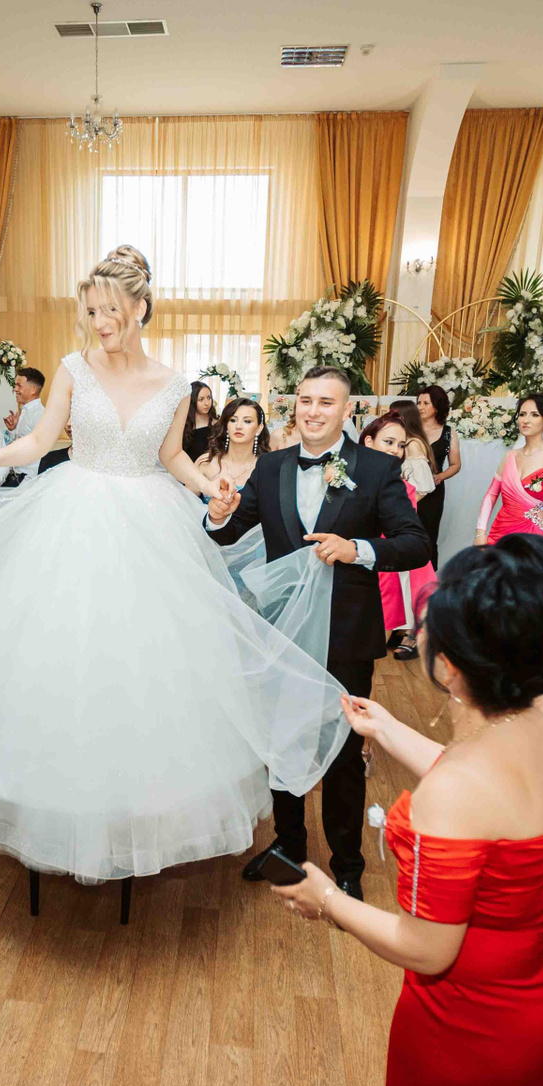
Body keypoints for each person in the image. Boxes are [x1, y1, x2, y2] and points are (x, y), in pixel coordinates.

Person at [0, 246, 359, 888]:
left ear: (140, 308)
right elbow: (39, 439)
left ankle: (137, 805)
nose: (99, 323)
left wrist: (208, 489)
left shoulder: (173, 384)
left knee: (147, 666)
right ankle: (54, 806)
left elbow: (171, 456)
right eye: (91, 312)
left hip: (151, 525)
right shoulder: (75, 367)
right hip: (73, 518)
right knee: (59, 657)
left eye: (111, 311)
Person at [275, 535, 543, 1086]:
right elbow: (495, 794)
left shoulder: (454, 794)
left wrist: (326, 898)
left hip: (475, 1023)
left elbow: (427, 948)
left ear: (448, 669)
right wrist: (388, 730)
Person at [205, 365, 435, 899]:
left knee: (343, 751)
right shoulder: (271, 466)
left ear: (347, 410)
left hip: (346, 633)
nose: (312, 411)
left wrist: (358, 549)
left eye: (326, 402)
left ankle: (347, 862)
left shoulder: (377, 468)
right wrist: (218, 514)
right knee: (281, 740)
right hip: (282, 628)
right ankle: (288, 846)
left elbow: (416, 542)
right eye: (305, 400)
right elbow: (231, 530)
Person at [360, 413, 436, 662]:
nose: (395, 450)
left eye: (400, 445)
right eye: (389, 442)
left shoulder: (405, 489)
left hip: (388, 561)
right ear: (368, 442)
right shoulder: (346, 478)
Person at [475, 394, 543, 546]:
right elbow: (491, 495)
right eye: (522, 414)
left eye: (534, 415)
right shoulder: (510, 456)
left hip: (532, 535)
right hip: (499, 531)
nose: (526, 420)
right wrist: (480, 533)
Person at [412, 385, 462, 548]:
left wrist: (440, 476)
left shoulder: (448, 433)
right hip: (410, 488)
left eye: (426, 403)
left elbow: (455, 464)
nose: (420, 407)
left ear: (437, 406)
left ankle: (428, 564)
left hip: (434, 491)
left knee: (429, 535)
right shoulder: (410, 429)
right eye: (419, 403)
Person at [192, 396, 267, 497]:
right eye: (233, 420)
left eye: (247, 421)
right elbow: (185, 502)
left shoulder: (265, 468)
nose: (238, 426)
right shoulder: (206, 462)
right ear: (226, 425)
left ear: (259, 428)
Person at [4, 366, 48, 484]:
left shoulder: (38, 414)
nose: (15, 389)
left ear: (33, 389)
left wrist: (26, 485)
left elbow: (40, 454)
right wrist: (12, 430)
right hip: (17, 476)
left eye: (19, 386)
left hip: (27, 480)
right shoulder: (25, 411)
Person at [179, 379, 216, 461]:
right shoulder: (184, 425)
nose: (207, 403)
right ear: (193, 401)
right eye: (201, 399)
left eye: (209, 398)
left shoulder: (216, 423)